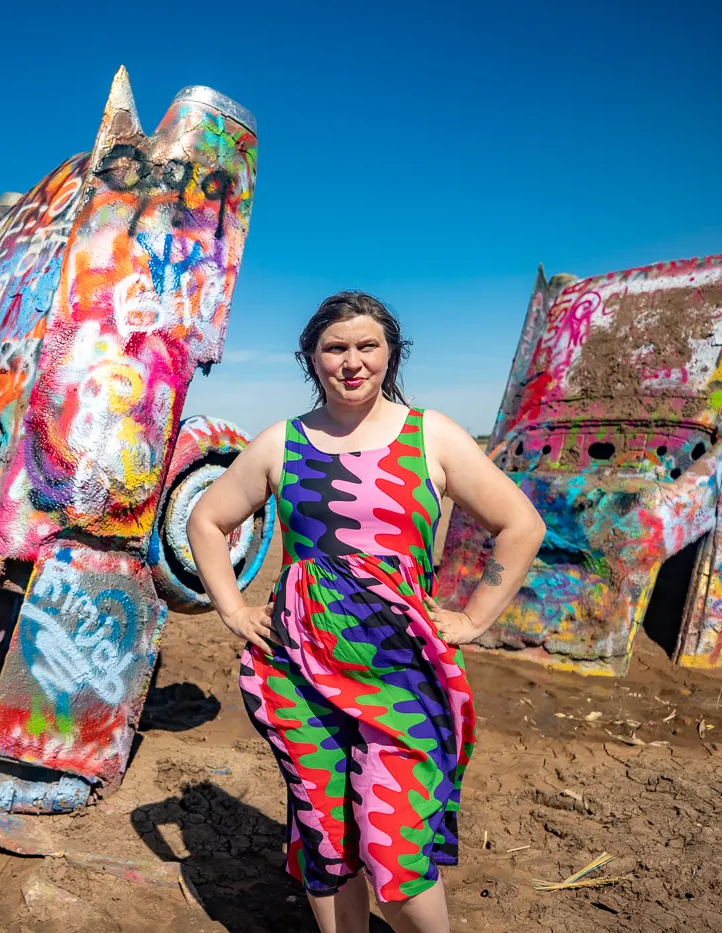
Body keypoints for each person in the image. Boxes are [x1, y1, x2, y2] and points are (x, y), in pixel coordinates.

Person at [186, 292, 545, 933]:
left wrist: (473, 619)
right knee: (326, 841)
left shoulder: (430, 434)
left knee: (396, 854)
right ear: (312, 358)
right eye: (335, 348)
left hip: (403, 678)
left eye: (367, 346)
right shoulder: (281, 443)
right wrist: (234, 609)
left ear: (390, 353)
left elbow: (519, 525)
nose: (352, 363)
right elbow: (207, 520)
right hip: (297, 674)